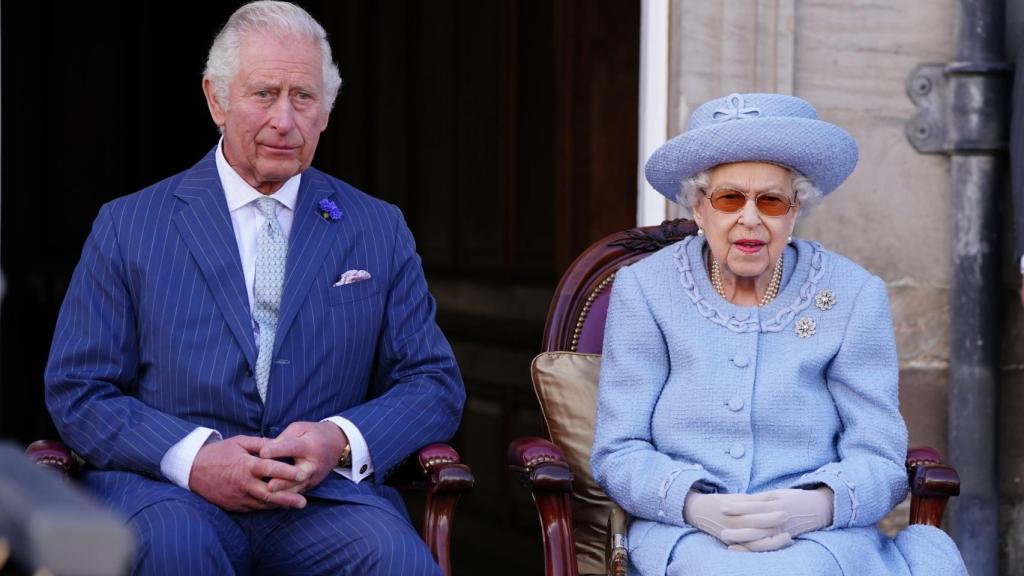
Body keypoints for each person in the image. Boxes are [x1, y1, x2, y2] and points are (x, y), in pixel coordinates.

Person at [43, 2, 464, 574]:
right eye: (264, 94)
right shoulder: (129, 225)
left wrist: (336, 440)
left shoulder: (377, 227)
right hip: (171, 496)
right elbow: (79, 389)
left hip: (324, 502)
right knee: (174, 551)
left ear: (326, 112)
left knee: (394, 559)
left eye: (304, 97)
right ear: (216, 99)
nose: (285, 120)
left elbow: (433, 382)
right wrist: (193, 459)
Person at [590, 92, 967, 575]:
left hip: (818, 539)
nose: (750, 218)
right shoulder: (644, 289)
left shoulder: (853, 294)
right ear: (699, 208)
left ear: (794, 211)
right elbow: (618, 450)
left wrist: (817, 506)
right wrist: (693, 504)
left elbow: (879, 455)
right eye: (730, 198)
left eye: (771, 200)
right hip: (686, 534)